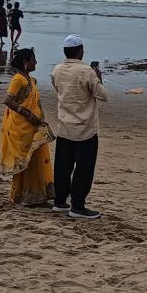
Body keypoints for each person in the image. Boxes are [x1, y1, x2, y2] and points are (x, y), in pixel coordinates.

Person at [51, 34, 106, 220]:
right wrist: (98, 78)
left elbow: (57, 88)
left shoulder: (57, 69)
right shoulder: (87, 71)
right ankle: (78, 205)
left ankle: (59, 201)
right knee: (84, 168)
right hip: (84, 128)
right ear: (80, 51)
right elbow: (102, 95)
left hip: (64, 125)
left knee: (62, 167)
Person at [0, 48, 54, 205]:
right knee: (26, 161)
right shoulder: (18, 79)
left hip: (33, 126)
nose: (36, 62)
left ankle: (38, 195)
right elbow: (8, 100)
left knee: (36, 159)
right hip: (22, 126)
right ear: (25, 62)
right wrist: (28, 114)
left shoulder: (31, 80)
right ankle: (26, 196)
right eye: (33, 59)